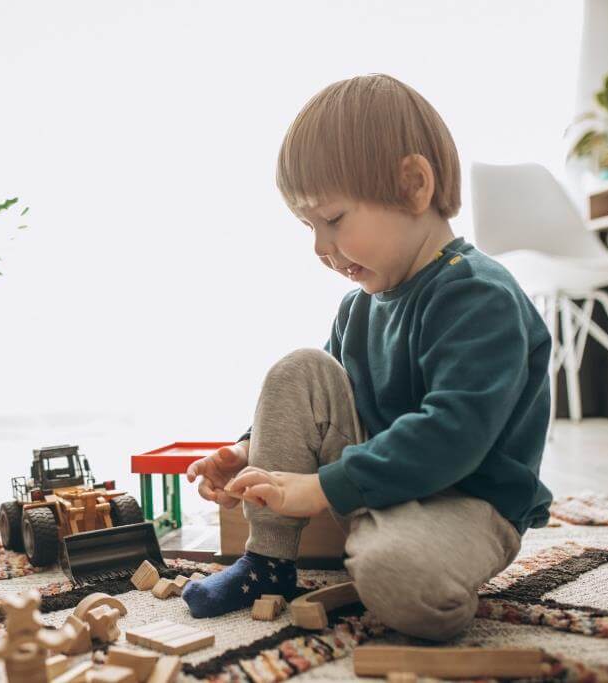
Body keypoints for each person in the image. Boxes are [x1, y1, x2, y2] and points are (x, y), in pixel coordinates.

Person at [183, 74, 554, 642]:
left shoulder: (480, 296)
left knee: (395, 574)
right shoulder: (359, 308)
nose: (319, 247)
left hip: (465, 504)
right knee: (300, 366)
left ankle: (401, 561)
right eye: (308, 227)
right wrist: (244, 451)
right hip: (381, 486)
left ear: (413, 185)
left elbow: (452, 436)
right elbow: (321, 408)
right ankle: (268, 563)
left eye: (332, 219)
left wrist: (321, 490)